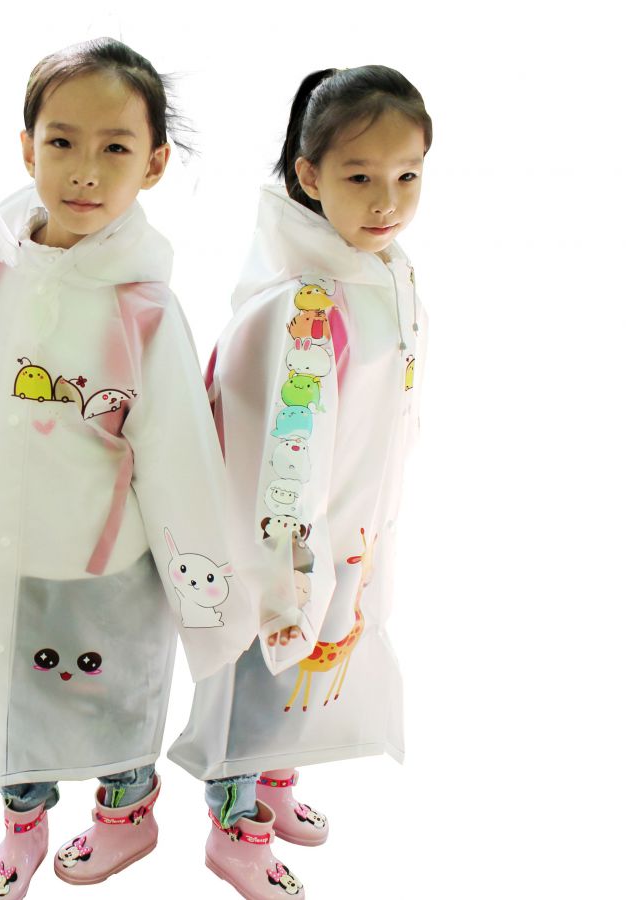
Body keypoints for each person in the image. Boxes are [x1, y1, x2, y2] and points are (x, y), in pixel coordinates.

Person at [0, 38, 262, 899]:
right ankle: (24, 826)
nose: (84, 170)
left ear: (154, 164)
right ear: (27, 147)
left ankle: (126, 813)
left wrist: (208, 602)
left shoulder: (145, 310)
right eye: (62, 141)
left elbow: (180, 458)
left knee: (111, 696)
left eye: (115, 147)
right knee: (5, 701)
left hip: (102, 562)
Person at [168, 65, 433, 900]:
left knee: (315, 670)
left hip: (350, 526)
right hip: (286, 545)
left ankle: (279, 781)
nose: (387, 201)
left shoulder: (381, 271)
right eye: (360, 177)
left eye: (407, 176)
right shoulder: (308, 302)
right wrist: (288, 572)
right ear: (310, 176)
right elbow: (286, 456)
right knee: (262, 680)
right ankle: (235, 830)